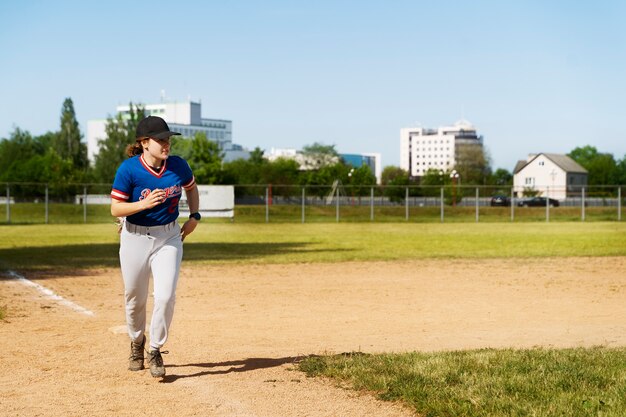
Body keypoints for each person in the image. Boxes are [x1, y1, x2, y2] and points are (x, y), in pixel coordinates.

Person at [110, 116, 201, 378]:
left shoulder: (177, 166)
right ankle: (137, 341)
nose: (166, 144)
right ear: (144, 142)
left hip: (169, 237)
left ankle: (155, 349)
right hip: (134, 237)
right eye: (161, 139)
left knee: (165, 295)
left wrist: (194, 216)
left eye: (168, 139)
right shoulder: (129, 169)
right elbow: (115, 208)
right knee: (134, 298)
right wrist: (143, 204)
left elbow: (192, 188)